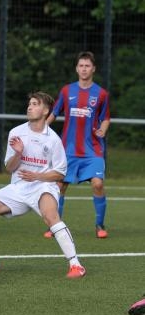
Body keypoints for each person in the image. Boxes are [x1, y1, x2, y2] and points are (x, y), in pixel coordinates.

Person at [0, 92, 86, 278]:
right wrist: (18, 153)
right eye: (29, 103)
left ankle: (76, 265)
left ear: (46, 110)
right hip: (18, 187)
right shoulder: (16, 132)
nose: (30, 107)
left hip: (43, 186)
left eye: (35, 104)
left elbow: (60, 173)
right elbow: (9, 167)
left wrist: (37, 176)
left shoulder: (53, 139)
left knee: (51, 216)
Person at [44, 51, 111, 239]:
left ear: (93, 69)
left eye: (87, 66)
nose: (84, 69)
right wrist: (42, 129)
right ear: (76, 68)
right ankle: (54, 226)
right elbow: (54, 112)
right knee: (60, 185)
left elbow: (105, 118)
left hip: (93, 150)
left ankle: (100, 225)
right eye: (81, 65)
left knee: (98, 184)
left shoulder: (101, 94)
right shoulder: (67, 91)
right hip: (68, 150)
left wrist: (103, 130)